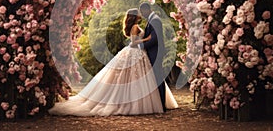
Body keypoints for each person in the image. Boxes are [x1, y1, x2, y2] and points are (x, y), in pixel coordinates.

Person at [48, 8, 178, 116]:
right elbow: (133, 42)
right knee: (131, 77)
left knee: (130, 78)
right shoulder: (135, 26)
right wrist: (145, 39)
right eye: (138, 13)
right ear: (135, 16)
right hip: (135, 52)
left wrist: (145, 39)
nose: (140, 14)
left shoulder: (135, 26)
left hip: (137, 53)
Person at [139, 2, 166, 112]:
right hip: (153, 52)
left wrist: (141, 46)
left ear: (146, 10)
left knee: (158, 78)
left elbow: (154, 39)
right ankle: (160, 104)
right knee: (156, 78)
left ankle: (162, 105)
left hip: (156, 52)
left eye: (142, 12)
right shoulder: (152, 19)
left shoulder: (155, 20)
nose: (141, 14)